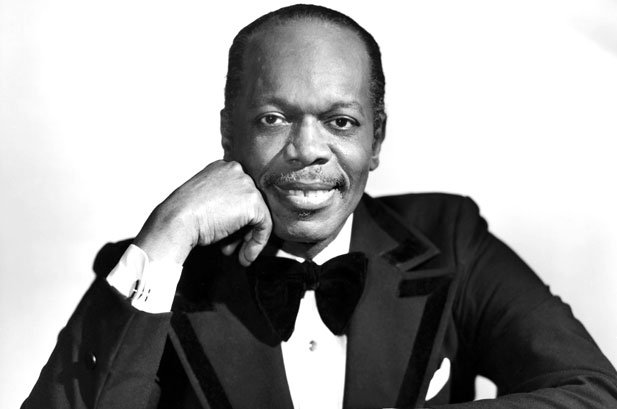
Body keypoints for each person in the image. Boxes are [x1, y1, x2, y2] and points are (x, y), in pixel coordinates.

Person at [22, 4, 617, 409]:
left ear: (376, 139)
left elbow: (593, 392)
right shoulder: (157, 270)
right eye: (272, 119)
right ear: (228, 134)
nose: (308, 149)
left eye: (340, 122)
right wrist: (168, 232)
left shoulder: (451, 238)